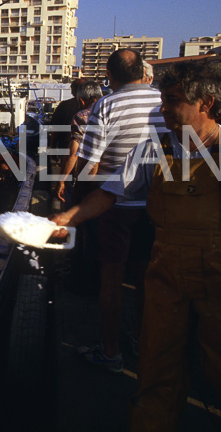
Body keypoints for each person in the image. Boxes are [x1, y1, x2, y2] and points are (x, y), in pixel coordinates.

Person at [51, 61, 221, 431]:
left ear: (207, 105)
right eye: (163, 101)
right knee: (156, 372)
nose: (162, 110)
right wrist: (67, 218)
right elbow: (110, 194)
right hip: (167, 284)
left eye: (172, 102)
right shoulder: (154, 150)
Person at [75, 48, 165, 371]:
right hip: (156, 206)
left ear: (109, 77)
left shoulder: (106, 105)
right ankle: (141, 342)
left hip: (115, 205)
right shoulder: (161, 101)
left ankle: (110, 352)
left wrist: (84, 201)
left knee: (111, 278)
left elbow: (89, 165)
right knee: (145, 278)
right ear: (142, 71)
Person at [54, 80, 103, 208]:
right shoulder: (114, 111)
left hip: (88, 179)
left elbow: (74, 153)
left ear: (81, 101)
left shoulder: (82, 116)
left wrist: (61, 180)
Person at [48, 78, 86, 154]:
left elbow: (55, 130)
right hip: (85, 150)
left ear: (72, 91)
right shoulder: (91, 107)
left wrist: (53, 149)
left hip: (66, 149)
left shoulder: (64, 105)